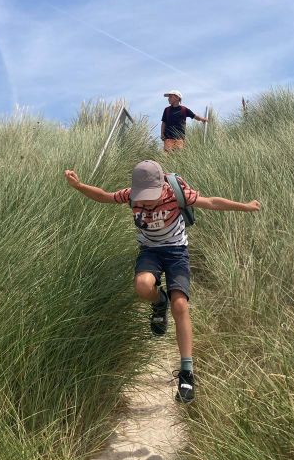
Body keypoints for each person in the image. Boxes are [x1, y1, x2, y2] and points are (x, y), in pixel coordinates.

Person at [64, 159, 260, 403]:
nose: (145, 201)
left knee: (181, 306)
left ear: (161, 187)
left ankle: (187, 373)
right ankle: (159, 301)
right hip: (150, 252)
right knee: (143, 286)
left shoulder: (176, 194)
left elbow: (210, 202)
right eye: (142, 196)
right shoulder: (131, 196)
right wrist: (79, 185)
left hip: (177, 251)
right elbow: (104, 196)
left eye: (151, 195)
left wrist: (245, 206)